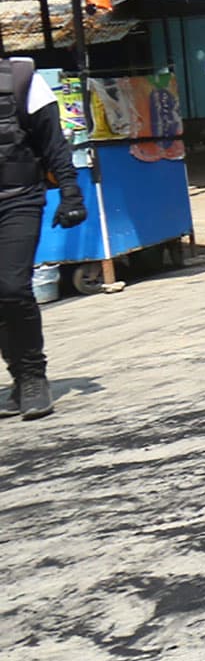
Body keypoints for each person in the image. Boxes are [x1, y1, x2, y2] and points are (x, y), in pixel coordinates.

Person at [0, 58, 88, 419]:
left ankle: (34, 375)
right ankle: (19, 378)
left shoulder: (20, 79)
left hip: (17, 199)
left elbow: (53, 143)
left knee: (12, 287)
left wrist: (71, 193)